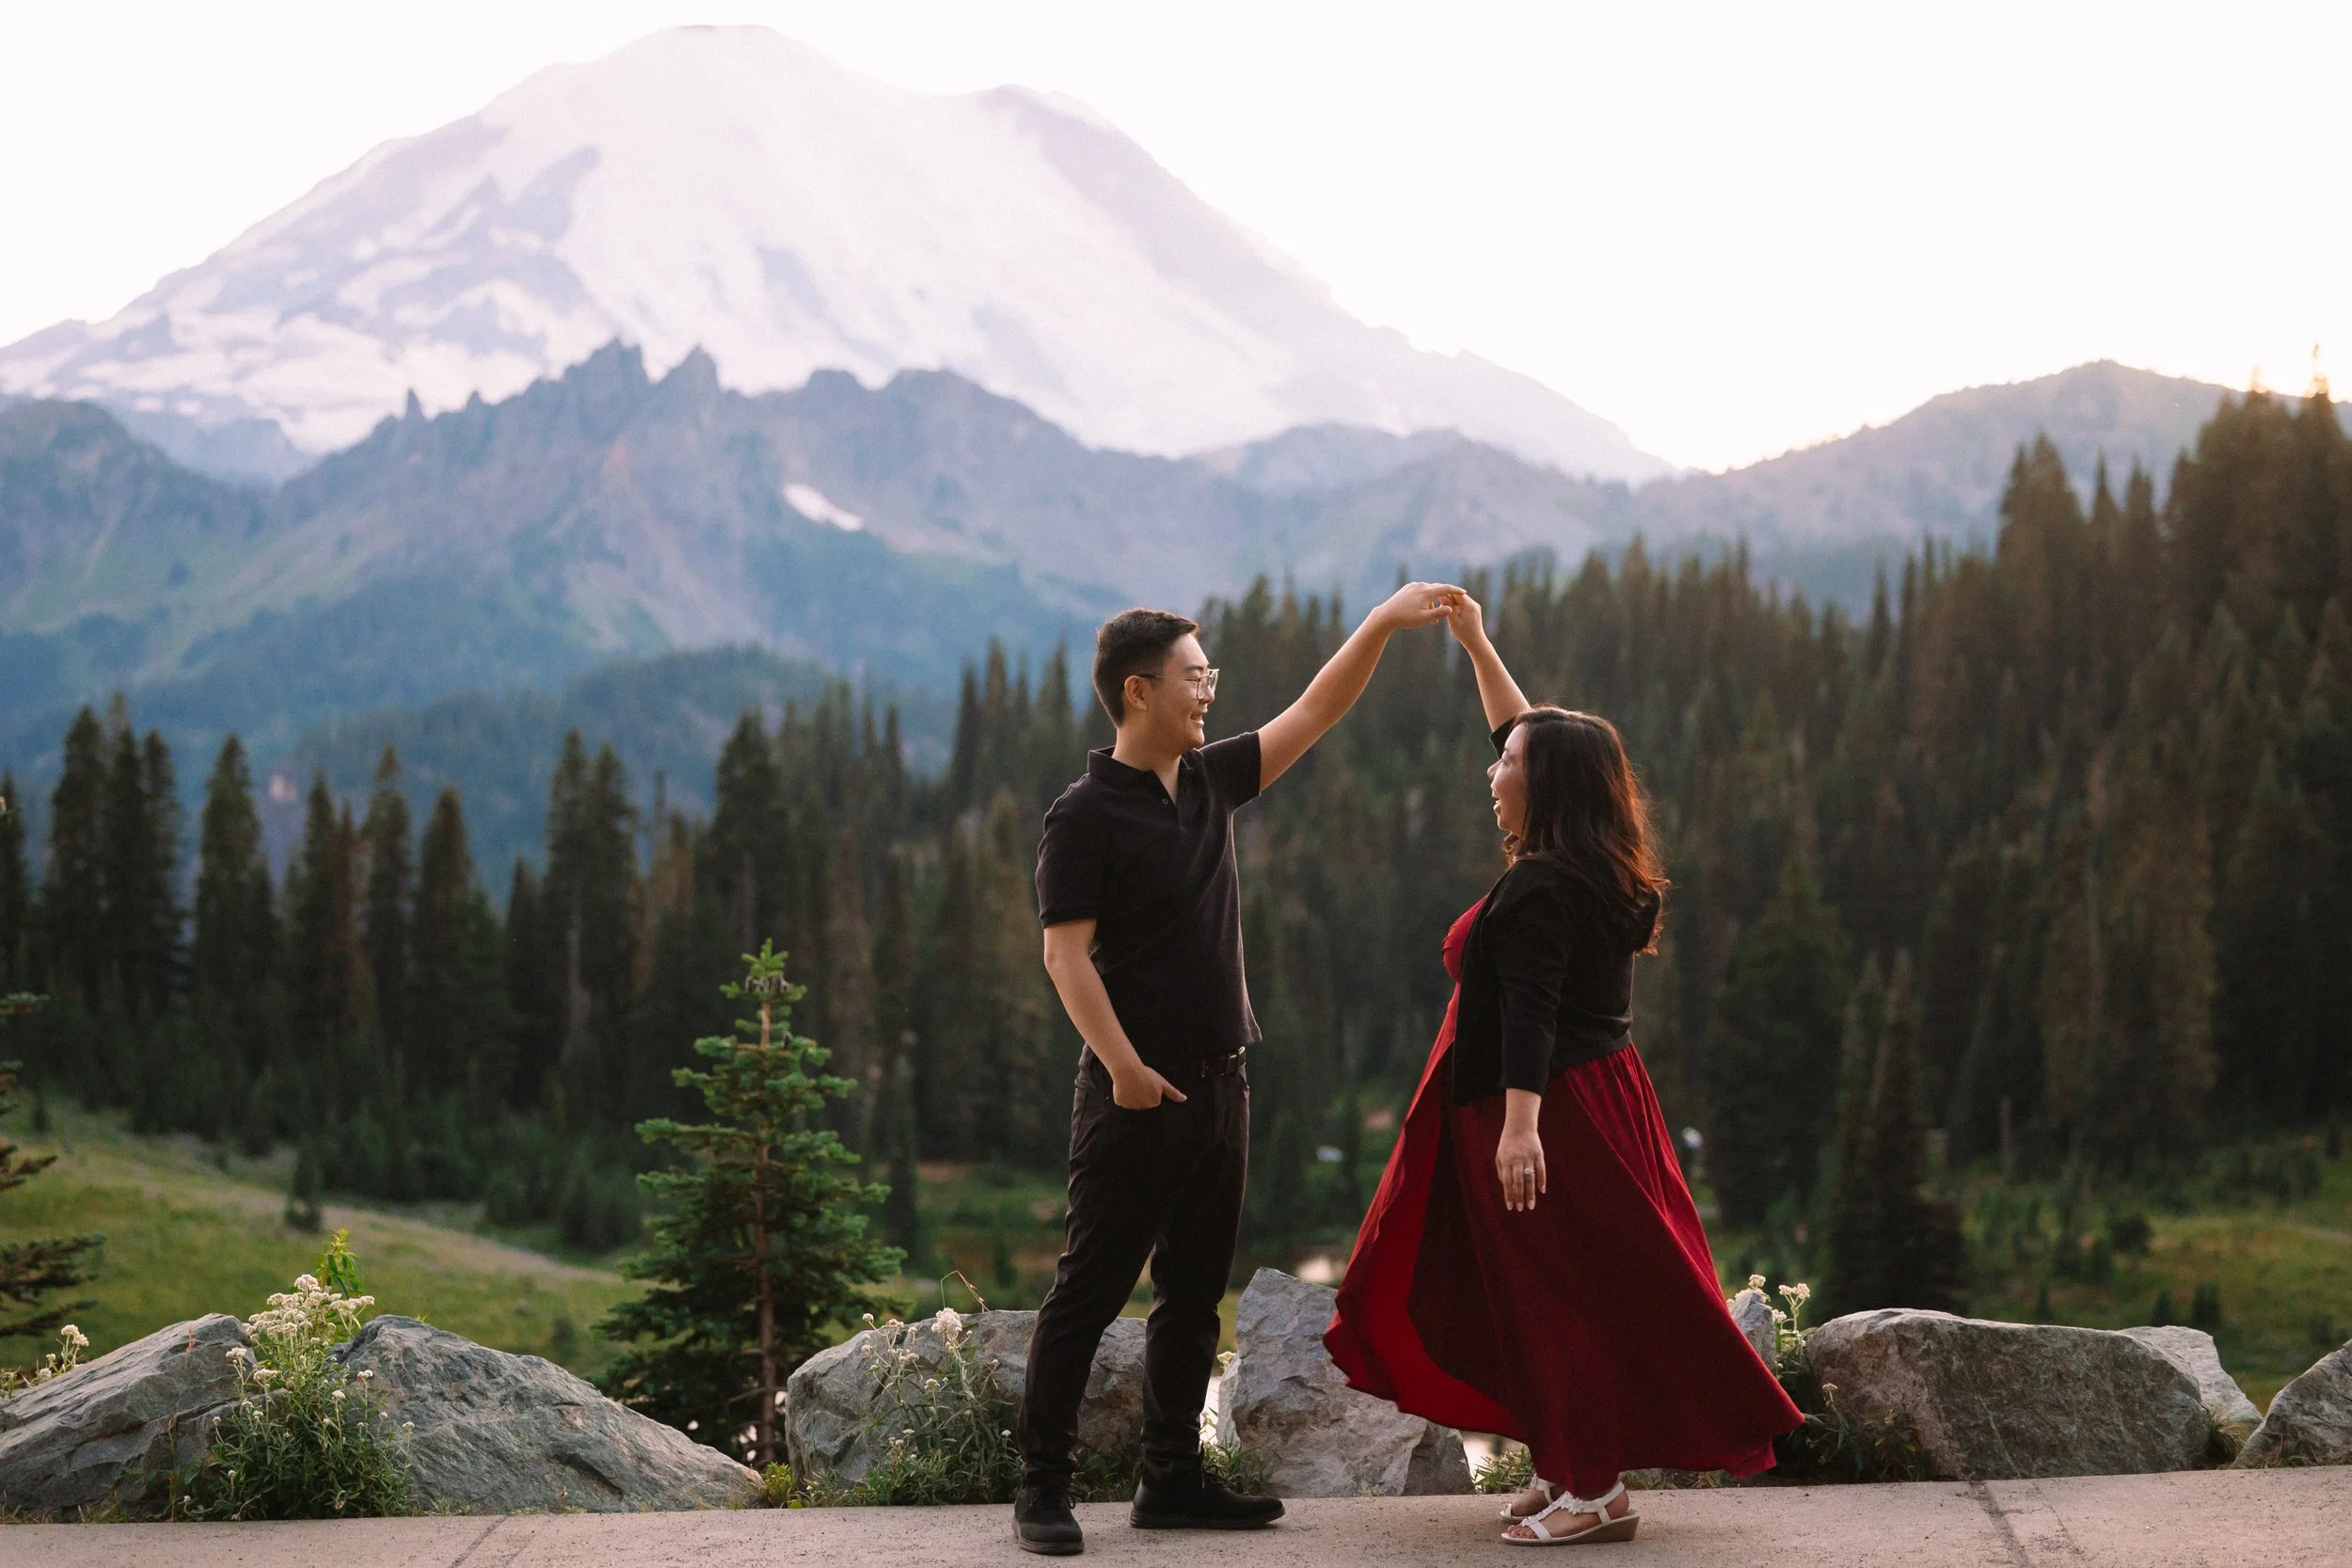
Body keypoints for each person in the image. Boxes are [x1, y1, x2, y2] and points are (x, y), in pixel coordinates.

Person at [1324, 592, 1803, 1546]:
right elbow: (1536, 732)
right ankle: (1562, 1464)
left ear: (1543, 790)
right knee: (1542, 1291)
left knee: (1557, 1297)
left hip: (1545, 1111)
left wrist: (1517, 1127)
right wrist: (1475, 642)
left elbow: (1532, 1013)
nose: (1490, 765)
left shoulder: (1541, 882)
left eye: (1504, 763)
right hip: (1588, 1096)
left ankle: (1596, 1492)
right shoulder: (1587, 857)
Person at [1014, 585, 1460, 1555]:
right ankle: (1040, 1487)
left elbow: (1315, 708)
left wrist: (1382, 622)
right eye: (1193, 675)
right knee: (1089, 1290)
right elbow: (1065, 956)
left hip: (1222, 1084)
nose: (1208, 689)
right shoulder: (1082, 814)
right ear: (1137, 691)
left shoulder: (1209, 779)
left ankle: (1169, 1477)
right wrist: (1125, 1067)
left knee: (1191, 1291)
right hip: (1134, 1091)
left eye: (1208, 674)